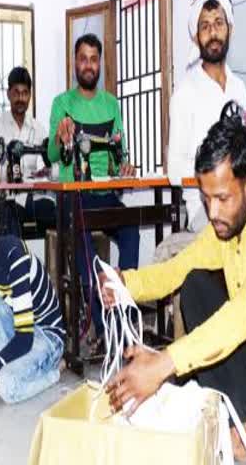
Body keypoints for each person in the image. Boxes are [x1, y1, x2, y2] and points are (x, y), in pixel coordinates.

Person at [100, 120, 246, 465]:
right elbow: (177, 268)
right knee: (197, 284)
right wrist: (127, 284)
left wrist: (165, 363)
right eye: (206, 198)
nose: (212, 212)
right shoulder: (225, 229)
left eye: (222, 198)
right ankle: (239, 433)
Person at [47, 33, 139, 351]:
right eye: (83, 58)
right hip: (76, 196)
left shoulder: (111, 105)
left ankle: (124, 313)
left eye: (93, 58)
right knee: (89, 247)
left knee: (131, 227)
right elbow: (52, 156)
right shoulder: (62, 104)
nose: (88, 64)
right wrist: (60, 138)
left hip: (105, 195)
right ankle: (103, 329)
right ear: (75, 63)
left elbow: (119, 155)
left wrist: (125, 166)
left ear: (100, 63)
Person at [167, 0, 246, 232]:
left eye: (218, 23)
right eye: (205, 26)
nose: (213, 32)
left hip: (242, 202)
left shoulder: (239, 88)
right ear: (196, 37)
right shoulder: (185, 93)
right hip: (206, 209)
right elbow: (174, 172)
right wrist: (217, 176)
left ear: (230, 29)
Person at [0, 235, 65, 403]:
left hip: (46, 335)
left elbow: (24, 338)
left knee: (6, 385)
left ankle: (55, 371)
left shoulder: (14, 254)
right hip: (18, 325)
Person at [0, 66, 55, 235]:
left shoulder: (38, 128)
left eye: (25, 93)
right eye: (16, 93)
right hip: (6, 197)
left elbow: (51, 159)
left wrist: (47, 171)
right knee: (9, 212)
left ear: (30, 95)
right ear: (8, 94)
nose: (21, 98)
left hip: (32, 197)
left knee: (55, 212)